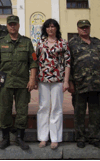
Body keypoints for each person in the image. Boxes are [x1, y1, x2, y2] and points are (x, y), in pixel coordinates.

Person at [0, 15, 38, 150]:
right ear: (7, 26)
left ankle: (20, 138)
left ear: (18, 26)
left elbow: (33, 62)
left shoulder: (27, 42)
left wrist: (32, 79)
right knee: (4, 110)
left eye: (15, 24)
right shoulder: (0, 42)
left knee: (22, 110)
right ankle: (5, 138)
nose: (12, 26)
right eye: (10, 24)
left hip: (23, 82)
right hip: (3, 81)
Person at [69, 19, 100, 149]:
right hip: (79, 84)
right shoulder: (72, 44)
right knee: (79, 113)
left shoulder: (97, 42)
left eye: (86, 27)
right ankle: (80, 138)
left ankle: (94, 137)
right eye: (82, 27)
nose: (84, 29)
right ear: (77, 29)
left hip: (96, 84)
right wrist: (70, 82)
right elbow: (67, 64)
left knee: (95, 112)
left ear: (90, 28)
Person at [35, 19, 71, 150]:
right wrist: (33, 78)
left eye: (53, 26)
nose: (51, 29)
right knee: (43, 107)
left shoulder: (63, 43)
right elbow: (36, 60)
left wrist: (66, 81)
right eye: (48, 27)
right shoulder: (40, 43)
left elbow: (67, 63)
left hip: (58, 79)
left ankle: (55, 138)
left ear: (56, 28)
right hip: (43, 79)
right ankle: (43, 137)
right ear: (45, 29)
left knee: (56, 108)